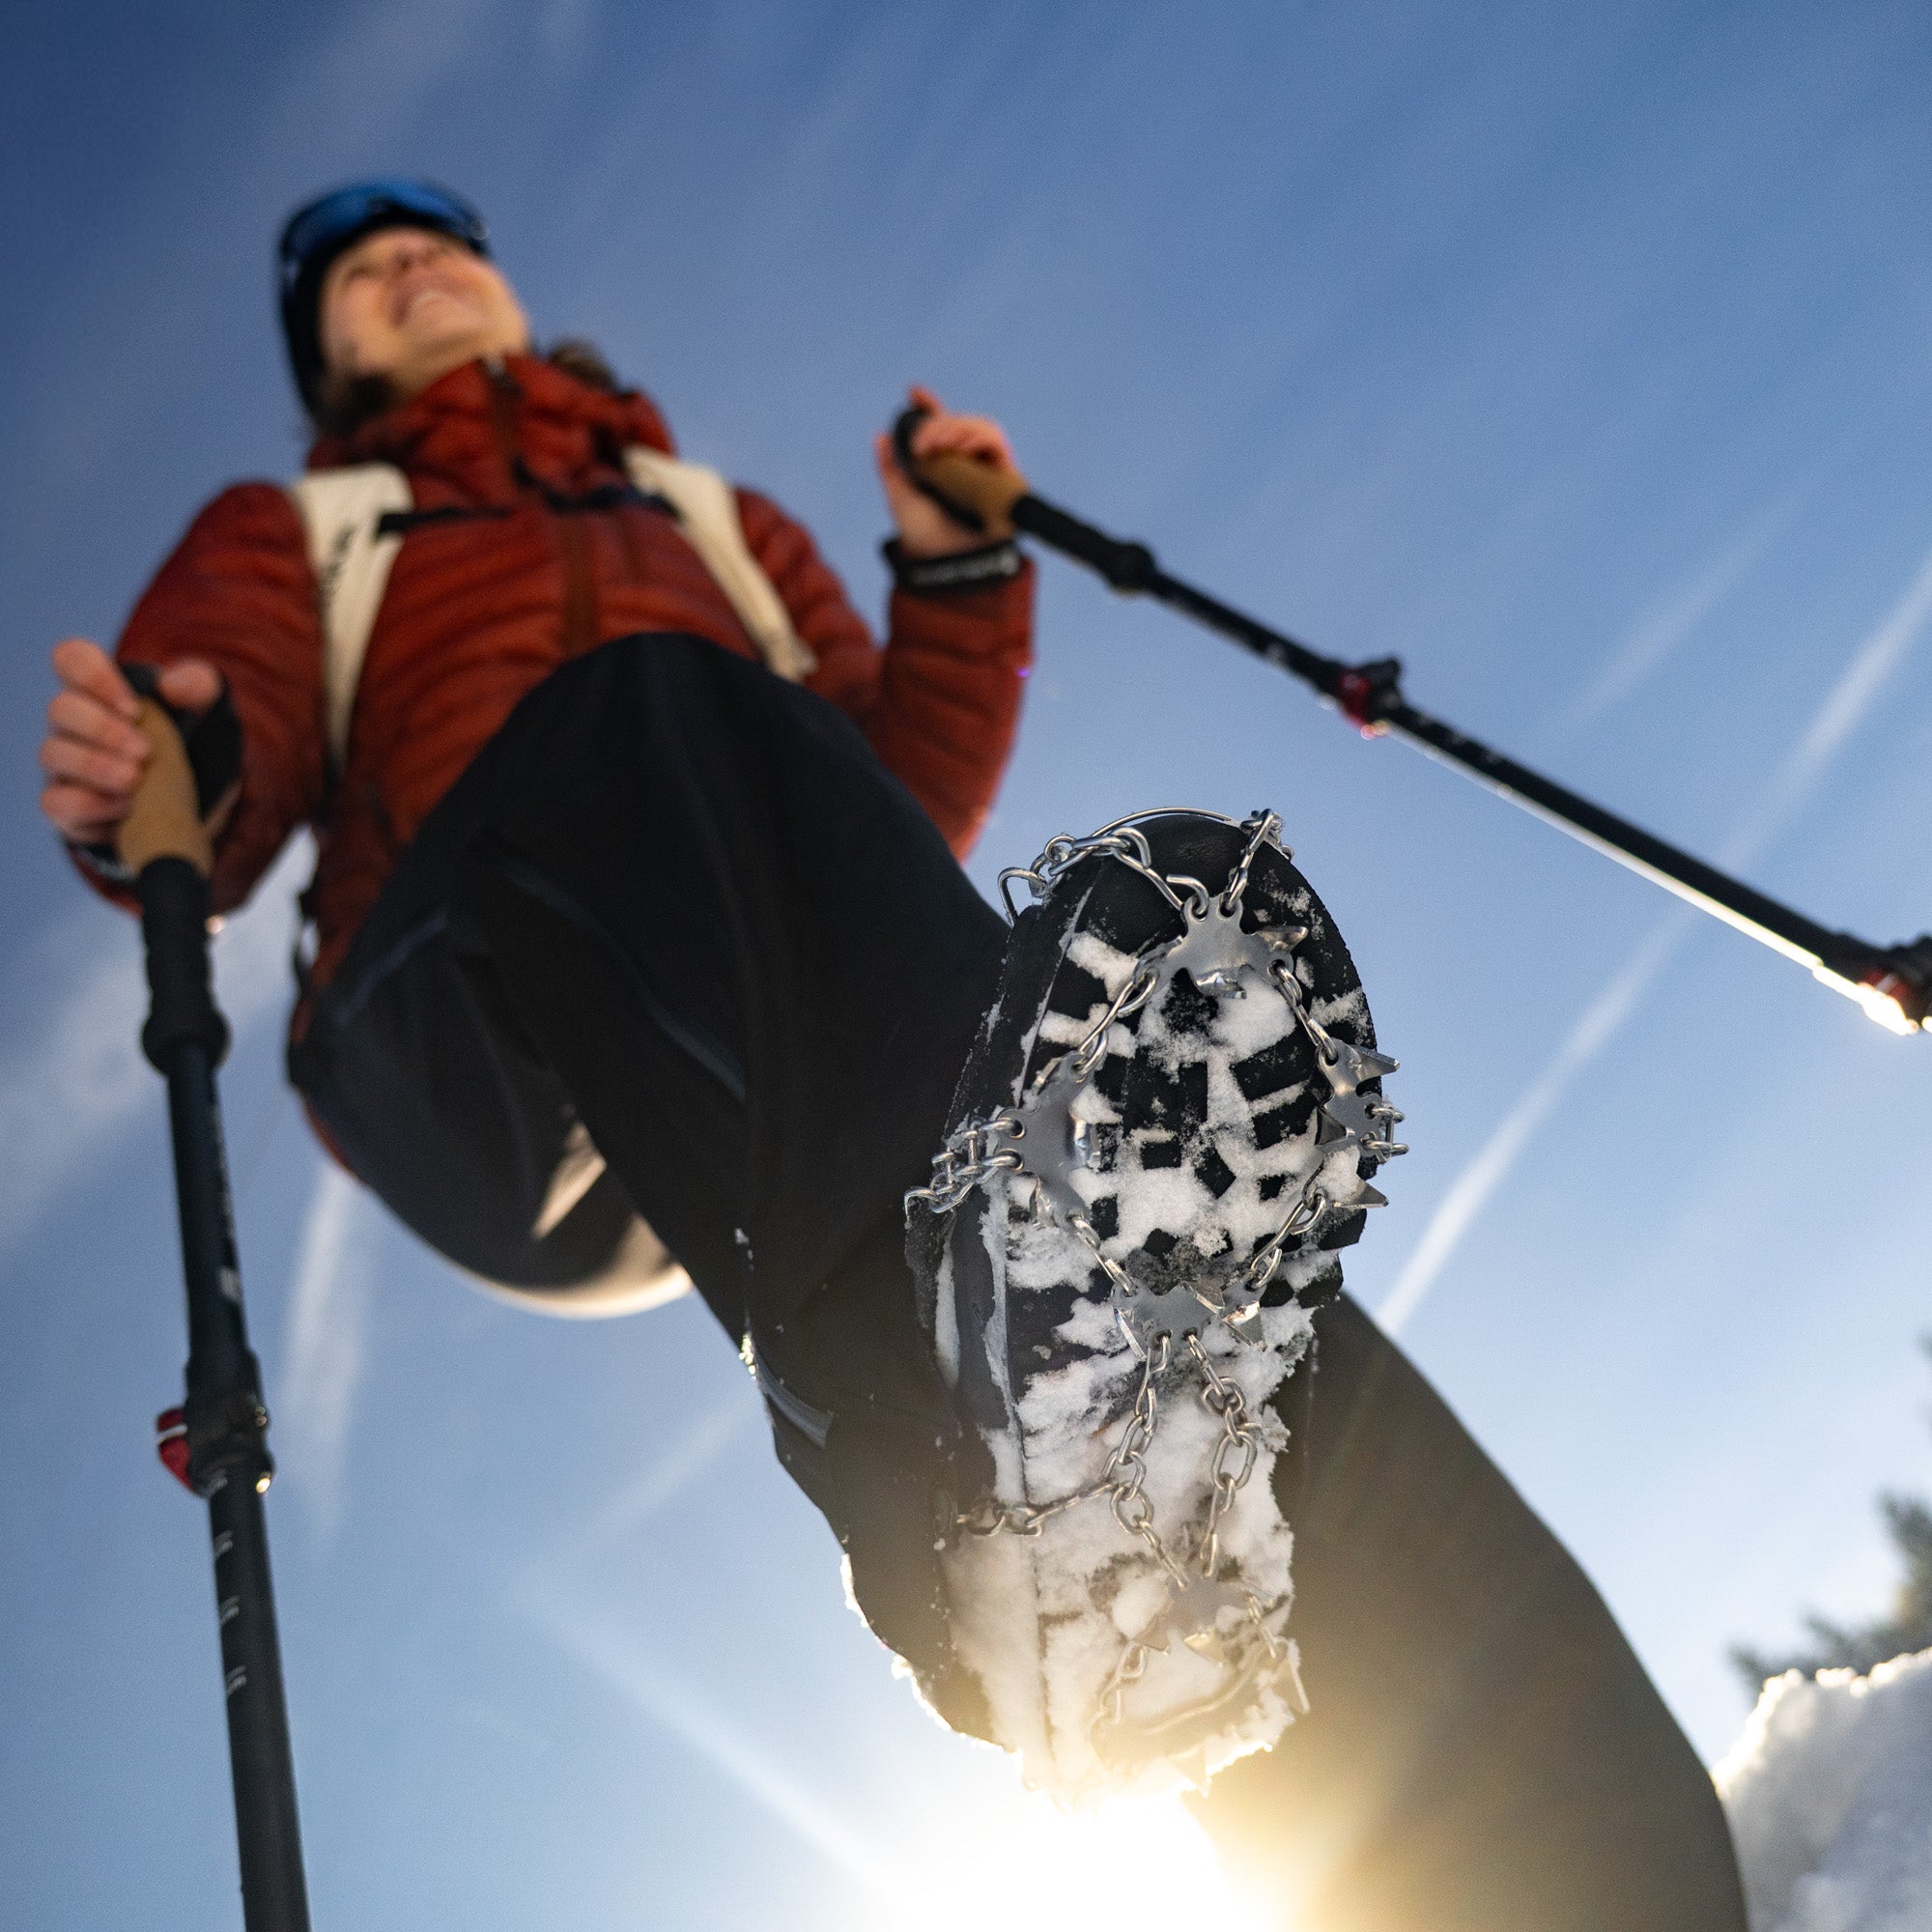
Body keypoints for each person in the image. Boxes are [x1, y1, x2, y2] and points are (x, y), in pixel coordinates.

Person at [39, 180, 1747, 1930]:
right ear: (324, 358)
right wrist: (171, 748)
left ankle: (1510, 1810)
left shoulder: (711, 517)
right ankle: (1017, 1452)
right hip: (461, 1026)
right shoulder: (313, 524)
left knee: (1027, 1111)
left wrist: (954, 572)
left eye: (437, 246)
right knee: (648, 722)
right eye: (357, 275)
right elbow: (214, 729)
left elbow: (891, 791)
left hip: (757, 1002)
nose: (407, 268)